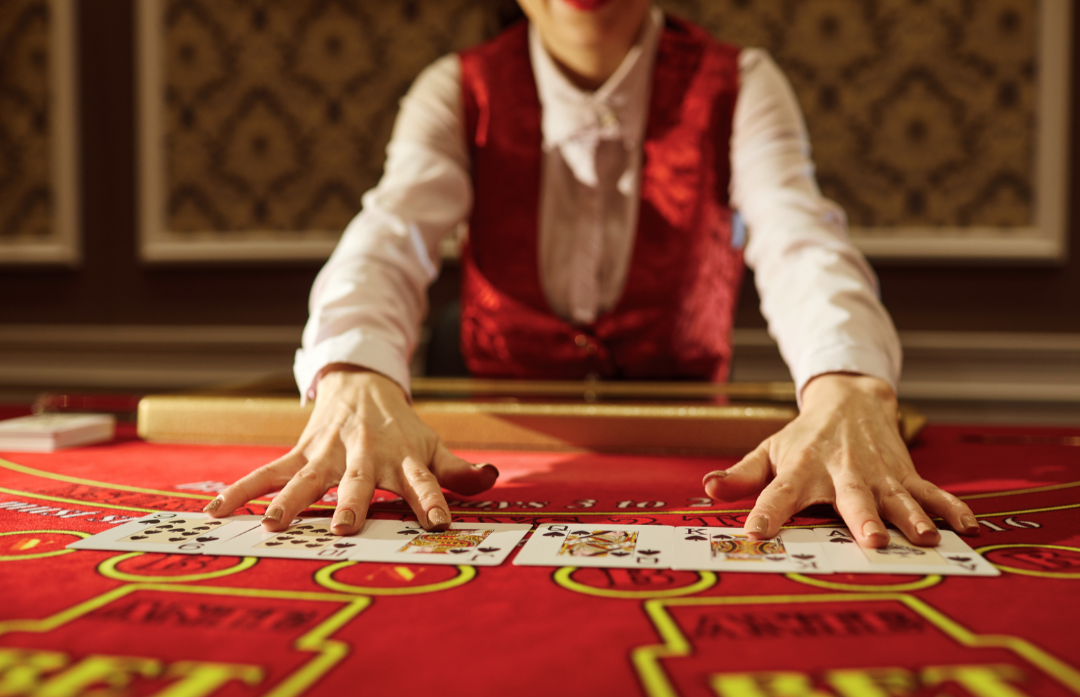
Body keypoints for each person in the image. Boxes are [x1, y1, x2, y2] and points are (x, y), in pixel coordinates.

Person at [204, 0, 978, 550]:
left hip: (686, 452)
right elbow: (388, 233)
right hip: (498, 446)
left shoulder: (742, 81)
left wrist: (847, 385)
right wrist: (351, 371)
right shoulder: (456, 86)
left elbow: (798, 237)